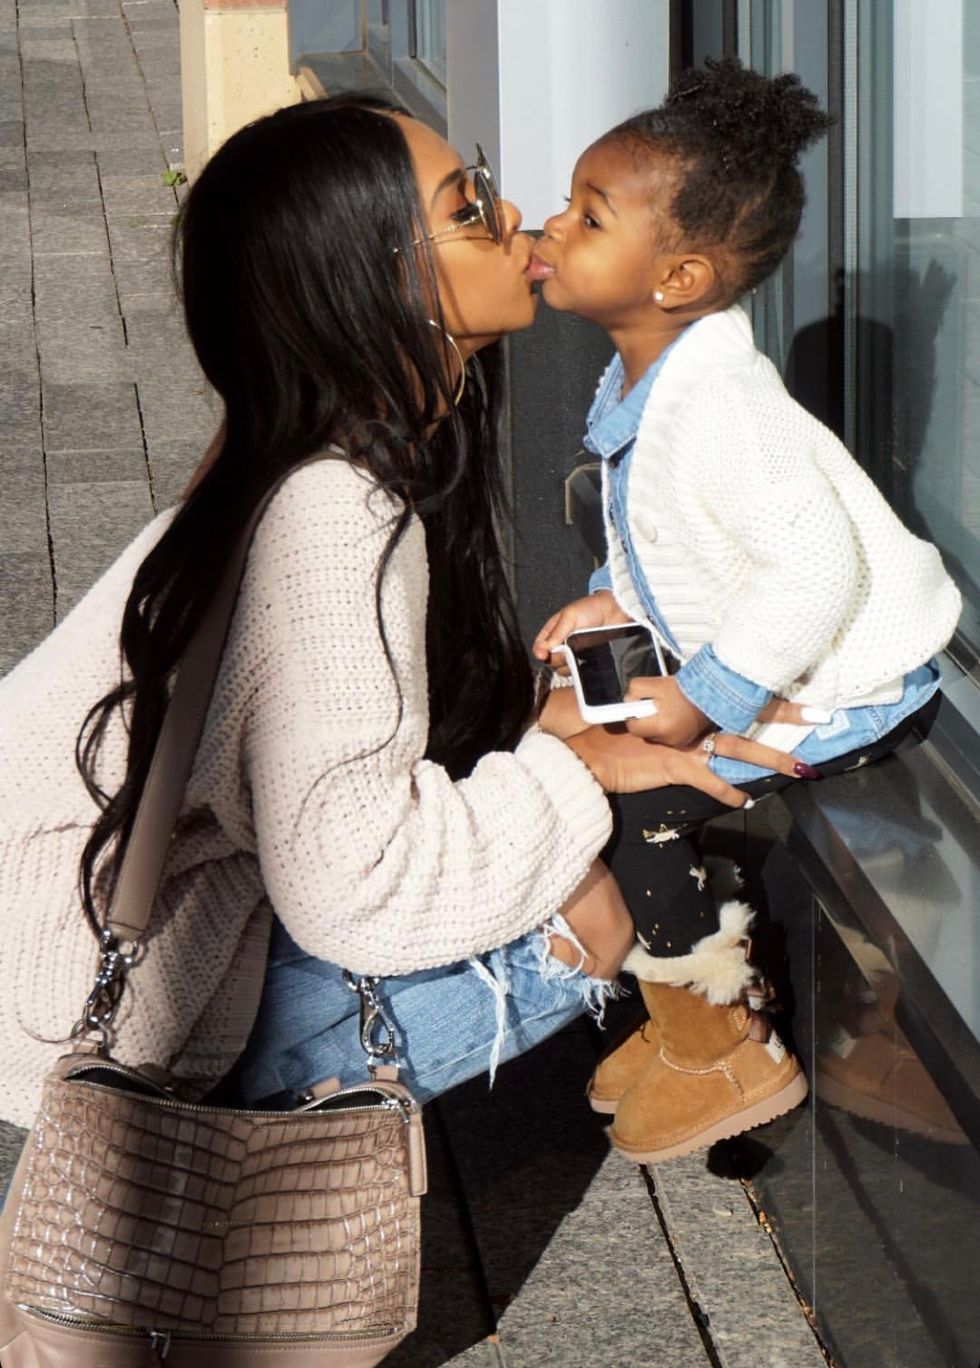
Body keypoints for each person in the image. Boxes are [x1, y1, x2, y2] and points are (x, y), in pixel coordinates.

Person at [0, 95, 808, 1133]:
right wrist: (576, 779)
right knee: (594, 887)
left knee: (579, 809)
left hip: (107, 934)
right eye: (466, 208)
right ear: (376, 285)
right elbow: (360, 888)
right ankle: (714, 1048)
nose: (510, 213)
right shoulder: (333, 515)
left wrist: (546, 727)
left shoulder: (312, 450)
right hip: (88, 1018)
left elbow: (348, 747)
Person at [530, 59, 961, 1164]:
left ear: (676, 277)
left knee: (637, 807)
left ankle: (724, 1048)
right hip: (767, 659)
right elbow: (679, 531)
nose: (552, 226)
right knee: (578, 748)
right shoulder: (656, 374)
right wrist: (613, 597)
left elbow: (812, 569)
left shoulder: (720, 402)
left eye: (588, 216)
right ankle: (689, 1014)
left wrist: (707, 698)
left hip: (846, 686)